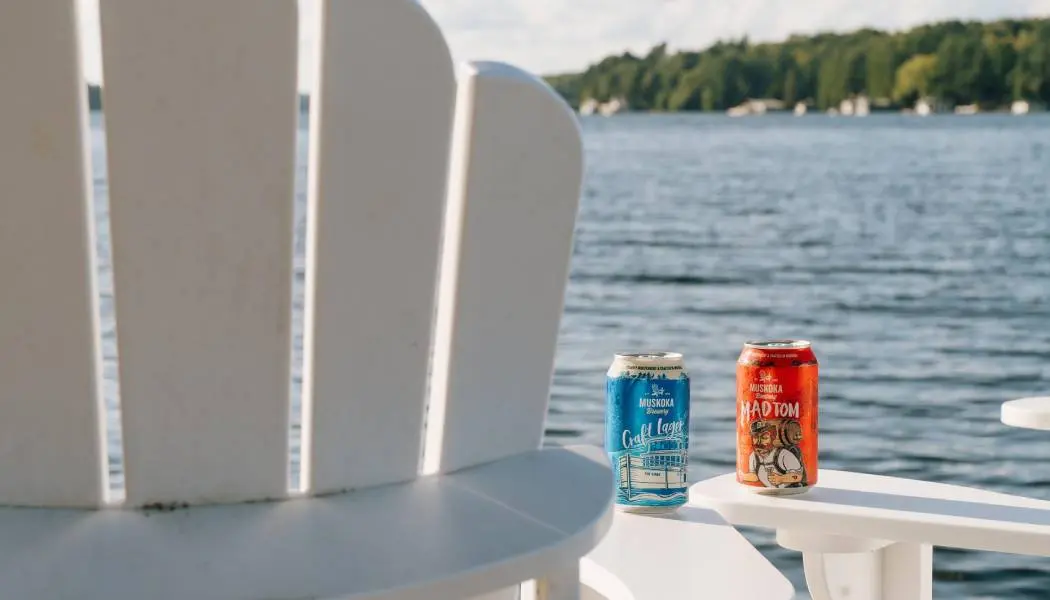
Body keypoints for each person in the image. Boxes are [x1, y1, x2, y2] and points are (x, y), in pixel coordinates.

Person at [740, 419, 804, 488]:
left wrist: (781, 479)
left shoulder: (783, 455)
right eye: (755, 437)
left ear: (772, 437)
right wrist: (742, 476)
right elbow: (754, 476)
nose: (759, 442)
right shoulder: (753, 456)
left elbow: (798, 476)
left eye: (764, 437)